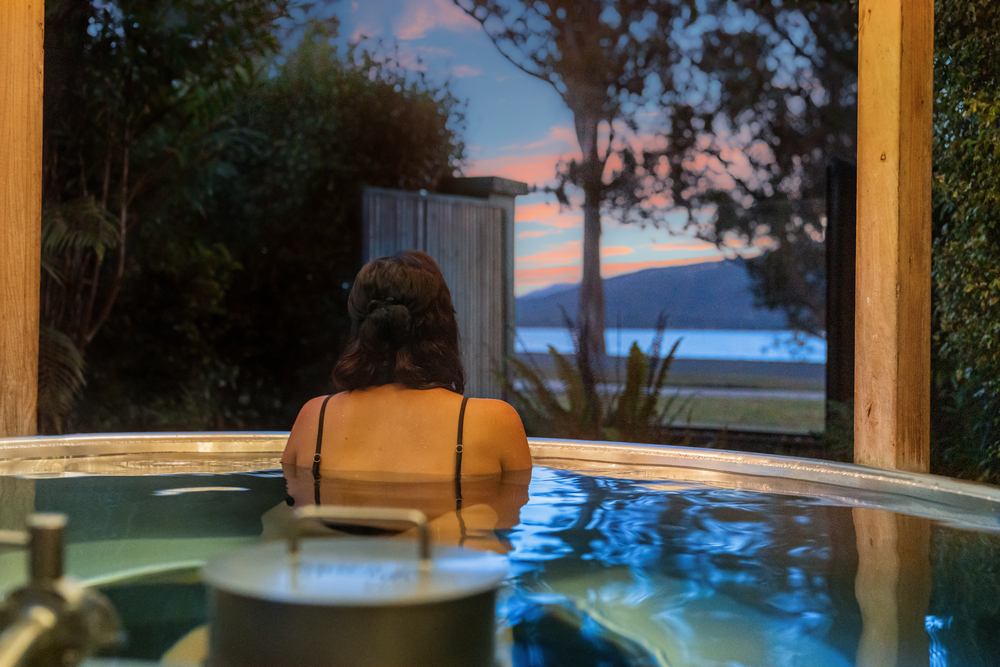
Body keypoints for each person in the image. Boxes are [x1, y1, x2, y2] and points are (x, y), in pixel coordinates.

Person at [282, 249, 532, 479]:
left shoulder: (314, 418)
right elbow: (507, 521)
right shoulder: (493, 423)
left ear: (360, 326)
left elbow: (284, 520)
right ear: (443, 326)